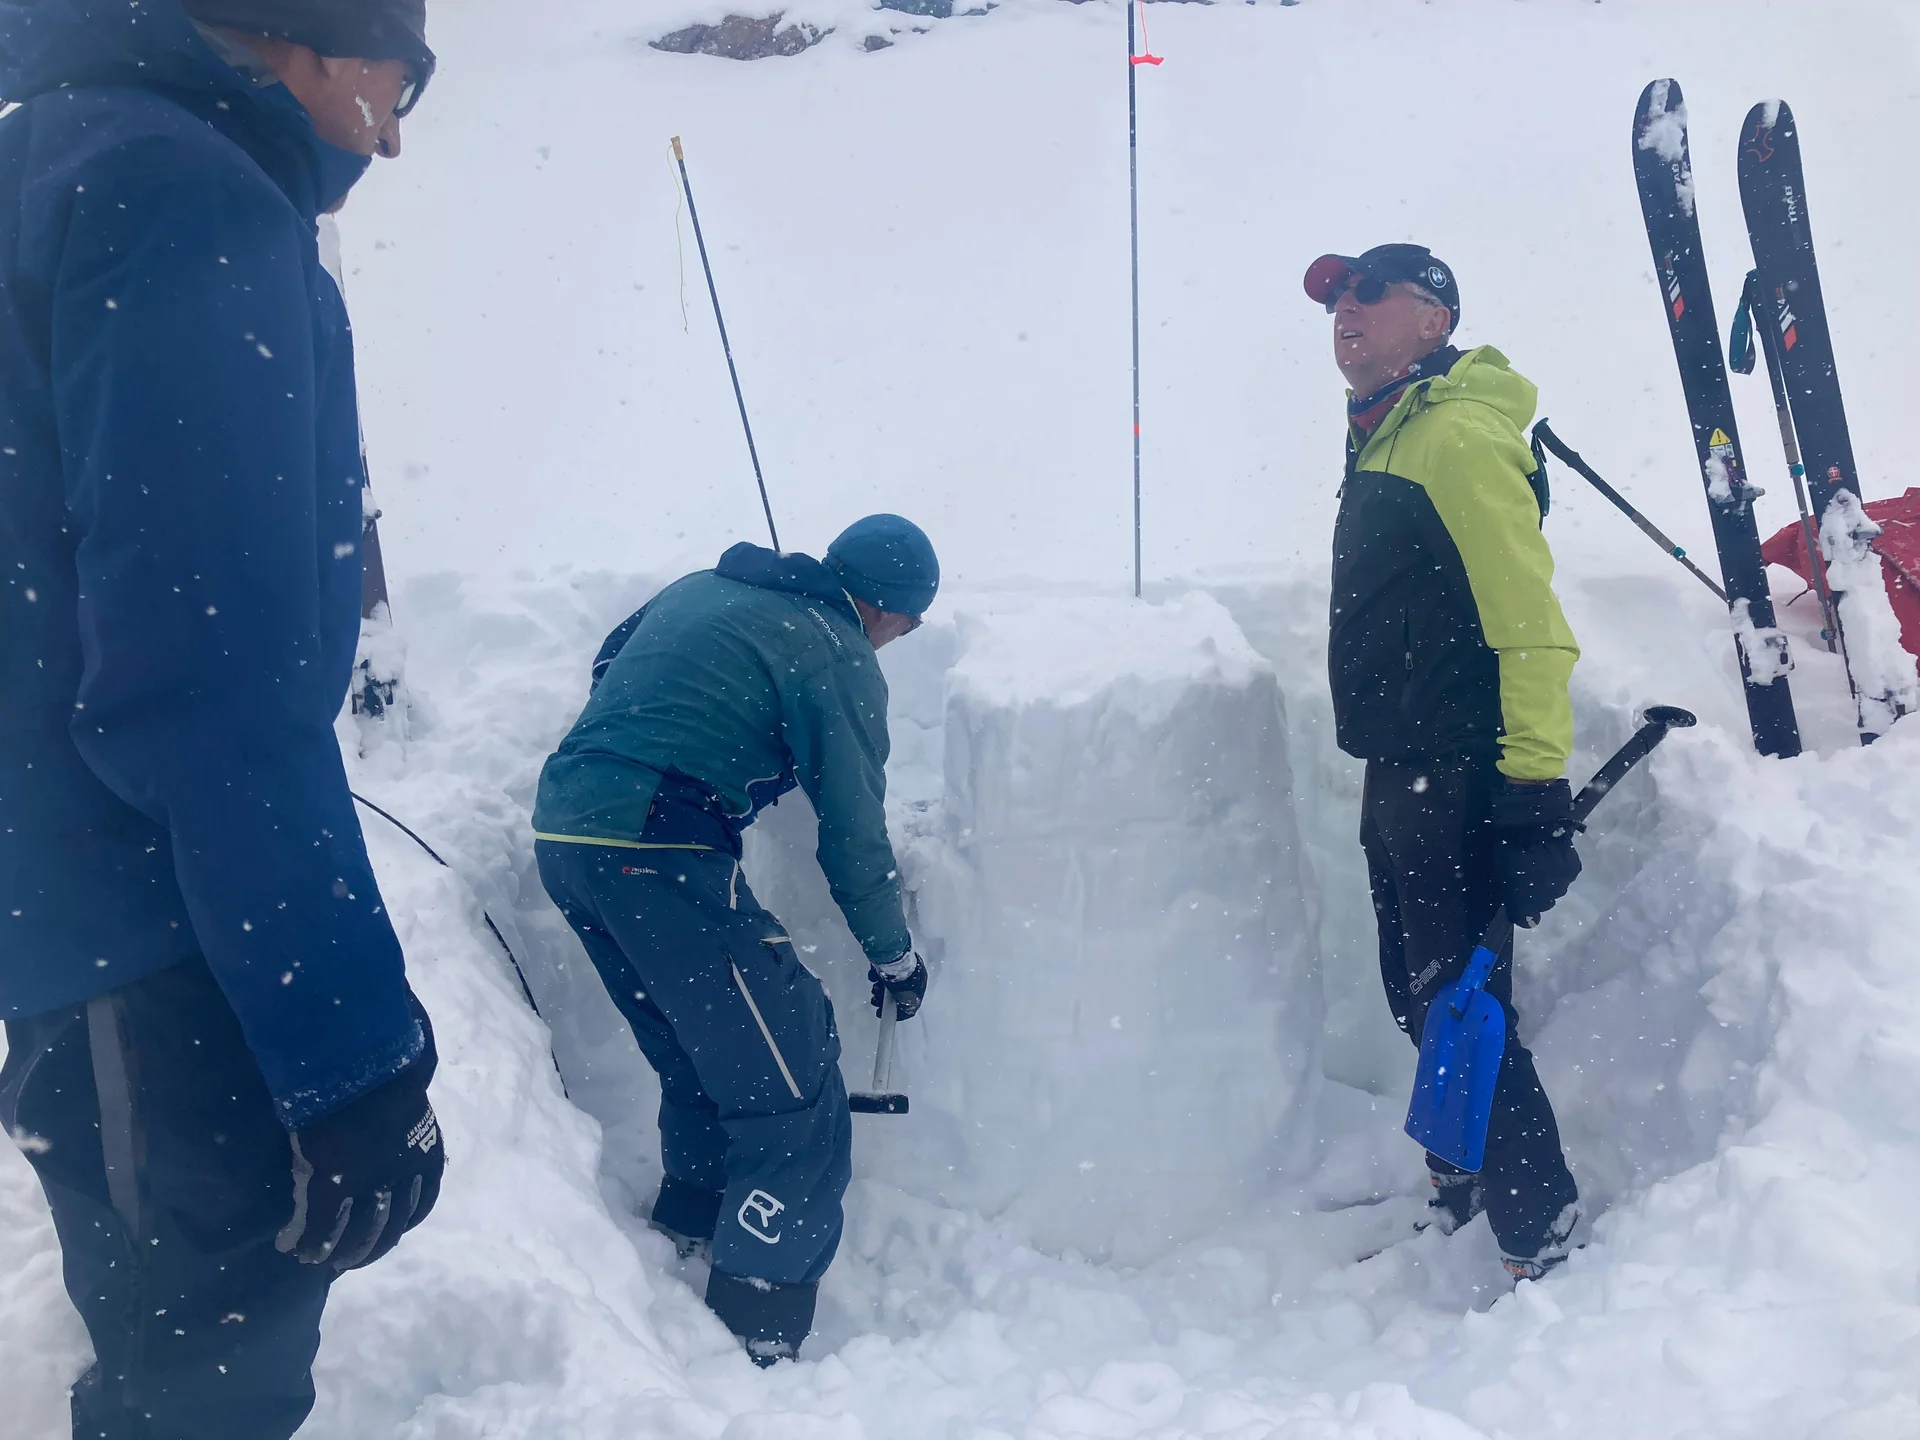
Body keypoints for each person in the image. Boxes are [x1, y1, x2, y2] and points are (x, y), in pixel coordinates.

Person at [0, 3, 442, 1436]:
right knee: (205, 1379)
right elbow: (209, 678)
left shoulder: (51, 161)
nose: (395, 133)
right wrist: (351, 1053)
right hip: (158, 933)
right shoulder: (183, 191)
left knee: (163, 1348)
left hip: (77, 912)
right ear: (313, 37)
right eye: (405, 80)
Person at [532, 516, 937, 1364]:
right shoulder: (837, 651)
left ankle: (689, 1230)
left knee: (704, 1055)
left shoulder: (705, 588)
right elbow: (853, 833)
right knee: (792, 1080)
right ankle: (759, 1318)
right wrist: (892, 952)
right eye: (907, 626)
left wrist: (693, 728)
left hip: (567, 837)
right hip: (658, 850)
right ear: (884, 608)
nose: (898, 640)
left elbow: (611, 660)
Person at [1304, 244, 1585, 1280]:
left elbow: (1528, 621)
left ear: (1435, 318)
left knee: (1460, 1001)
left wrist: (1535, 786)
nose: (1346, 309)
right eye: (1336, 298)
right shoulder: (1387, 435)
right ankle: (1463, 1180)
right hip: (1402, 767)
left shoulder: (1457, 435)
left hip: (1459, 767)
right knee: (1420, 991)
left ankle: (1537, 1226)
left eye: (1369, 291)